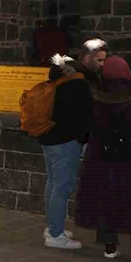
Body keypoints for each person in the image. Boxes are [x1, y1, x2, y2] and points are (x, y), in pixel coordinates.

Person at [76, 56, 131, 258]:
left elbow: (87, 124)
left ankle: (109, 245)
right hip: (128, 156)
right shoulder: (129, 96)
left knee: (105, 201)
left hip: (102, 156)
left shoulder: (96, 94)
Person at [39, 54, 93, 249]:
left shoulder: (54, 82)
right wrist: (85, 140)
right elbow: (86, 116)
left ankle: (52, 227)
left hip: (48, 139)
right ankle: (55, 235)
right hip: (66, 141)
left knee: (52, 183)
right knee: (61, 187)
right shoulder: (77, 85)